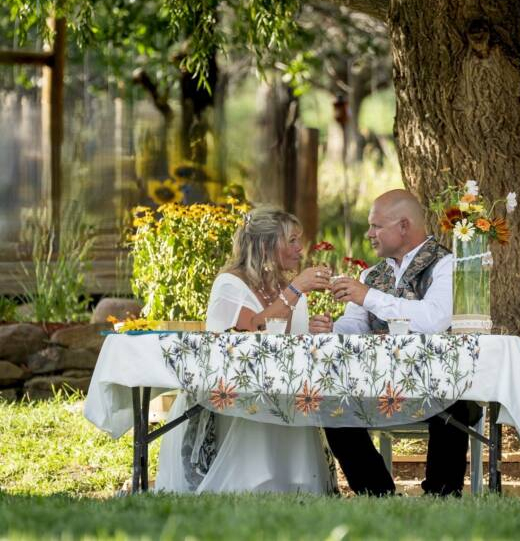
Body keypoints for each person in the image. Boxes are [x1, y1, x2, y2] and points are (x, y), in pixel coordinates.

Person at [156, 206, 336, 494]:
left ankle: (294, 485)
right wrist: (295, 289)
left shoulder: (286, 286)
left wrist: (313, 329)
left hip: (285, 392)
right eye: (291, 240)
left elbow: (286, 344)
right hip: (238, 394)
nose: (300, 248)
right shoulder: (230, 284)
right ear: (266, 245)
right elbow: (248, 333)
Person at [309, 189, 478, 497]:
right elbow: (356, 325)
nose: (369, 234)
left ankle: (441, 495)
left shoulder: (447, 266)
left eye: (376, 226)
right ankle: (377, 494)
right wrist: (332, 329)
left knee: (452, 399)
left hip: (436, 383)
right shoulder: (372, 274)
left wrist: (367, 296)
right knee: (332, 401)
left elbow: (433, 320)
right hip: (377, 384)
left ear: (403, 226)